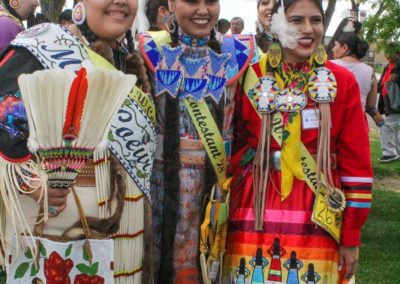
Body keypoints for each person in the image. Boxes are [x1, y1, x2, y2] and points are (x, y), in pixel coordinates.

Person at [0, 0, 156, 283]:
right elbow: (5, 116)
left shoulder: (132, 60)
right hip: (57, 234)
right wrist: (30, 181)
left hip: (125, 240)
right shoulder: (42, 47)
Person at [223, 0, 373, 283]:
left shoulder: (341, 81)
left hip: (317, 208)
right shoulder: (249, 76)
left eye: (316, 20)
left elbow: (357, 163)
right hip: (255, 203)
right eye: (296, 21)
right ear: (276, 21)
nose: (309, 29)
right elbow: (235, 143)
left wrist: (351, 234)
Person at [138, 0, 255, 282]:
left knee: (208, 261)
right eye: (191, 1)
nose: (202, 10)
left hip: (215, 187)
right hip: (159, 185)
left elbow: (247, 125)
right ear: (170, 4)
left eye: (210, 2)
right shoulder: (149, 50)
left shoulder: (239, 54)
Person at [332, 32, 384, 127]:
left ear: (344, 48)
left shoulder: (328, 66)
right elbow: (370, 106)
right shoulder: (370, 72)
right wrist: (379, 121)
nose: (333, 49)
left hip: (332, 122)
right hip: (357, 125)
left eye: (335, 45)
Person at [378, 43, 400, 162]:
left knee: (386, 125)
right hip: (387, 100)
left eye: (390, 52)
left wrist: (395, 77)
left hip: (395, 100)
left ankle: (389, 153)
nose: (387, 55)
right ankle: (396, 152)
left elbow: (393, 79)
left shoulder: (398, 64)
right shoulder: (388, 66)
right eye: (386, 53)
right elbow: (382, 83)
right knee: (395, 127)